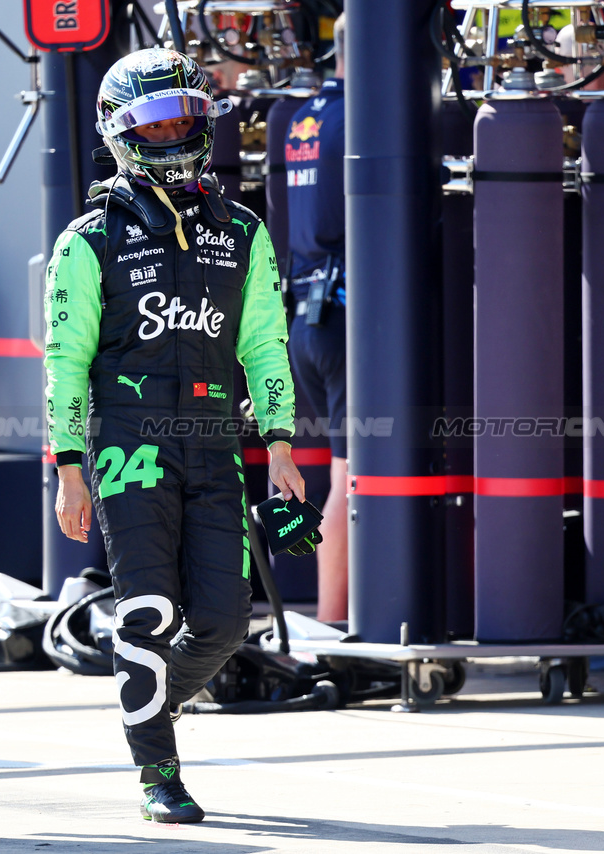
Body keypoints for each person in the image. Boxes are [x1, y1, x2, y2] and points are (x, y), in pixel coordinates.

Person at [44, 47, 305, 823]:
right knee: (149, 613)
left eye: (185, 117)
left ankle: (146, 708)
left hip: (217, 446)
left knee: (225, 623)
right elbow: (64, 360)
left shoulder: (243, 231)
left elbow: (263, 342)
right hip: (128, 448)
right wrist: (67, 467)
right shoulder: (87, 240)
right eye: (155, 121)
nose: (174, 132)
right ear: (122, 132)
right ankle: (159, 771)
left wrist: (282, 446)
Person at [284, 13, 348, 622]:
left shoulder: (305, 116)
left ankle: (330, 617)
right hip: (346, 313)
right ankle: (333, 623)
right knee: (352, 479)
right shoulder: (361, 113)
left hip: (306, 314)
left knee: (335, 470)